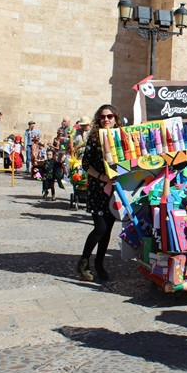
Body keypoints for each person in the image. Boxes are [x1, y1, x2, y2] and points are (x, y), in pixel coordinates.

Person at [77, 105, 119, 282]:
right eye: (102, 117)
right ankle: (83, 262)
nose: (106, 119)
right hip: (97, 189)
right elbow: (86, 165)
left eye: (109, 116)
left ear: (115, 118)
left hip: (115, 189)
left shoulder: (120, 138)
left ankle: (100, 263)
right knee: (100, 227)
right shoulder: (94, 140)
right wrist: (102, 177)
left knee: (108, 230)